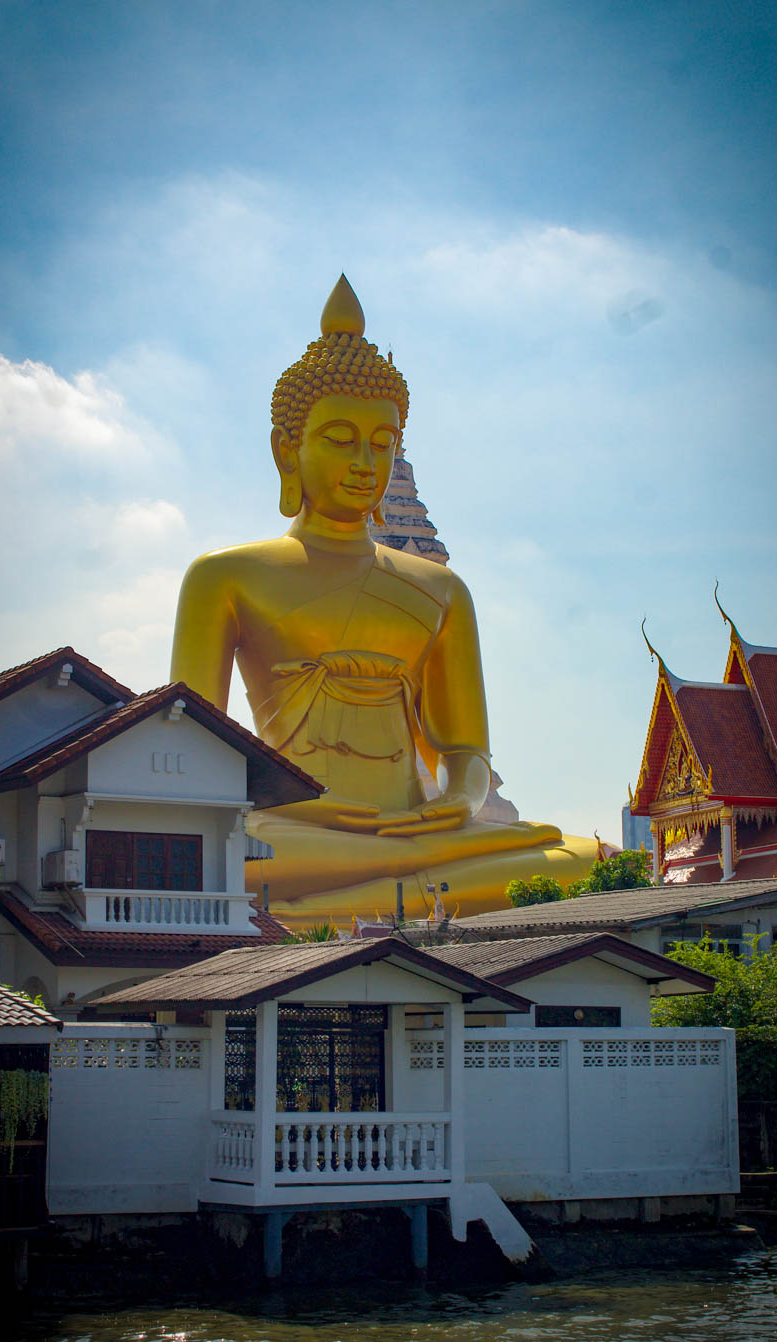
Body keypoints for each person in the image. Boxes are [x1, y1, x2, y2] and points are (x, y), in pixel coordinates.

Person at [171, 275, 595, 921]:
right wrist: (294, 804)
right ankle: (396, 901)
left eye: (383, 443)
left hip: (415, 832)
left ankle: (348, 907)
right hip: (293, 832)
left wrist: (458, 801)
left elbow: (466, 754)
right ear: (289, 450)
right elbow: (195, 754)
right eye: (340, 439)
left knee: (593, 859)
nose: (367, 462)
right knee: (225, 857)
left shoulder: (441, 588)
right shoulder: (224, 577)